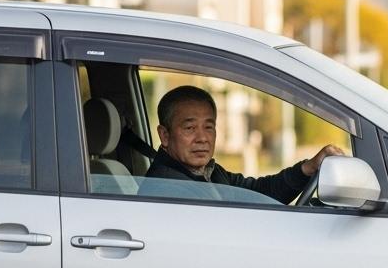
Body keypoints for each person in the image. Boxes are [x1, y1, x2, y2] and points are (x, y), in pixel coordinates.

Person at [145, 85, 345, 204]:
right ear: (165, 135)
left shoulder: (208, 173)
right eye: (190, 128)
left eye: (209, 127)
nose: (202, 138)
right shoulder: (169, 190)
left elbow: (259, 192)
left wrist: (307, 168)